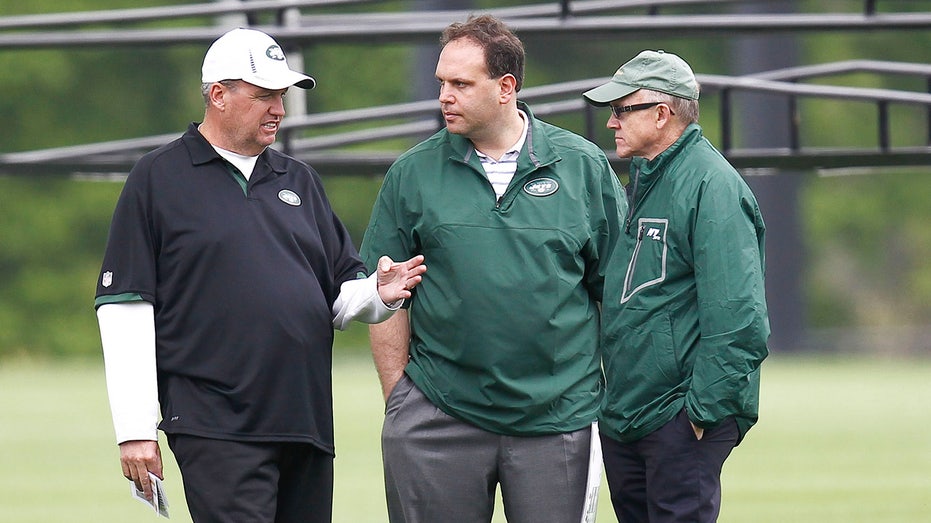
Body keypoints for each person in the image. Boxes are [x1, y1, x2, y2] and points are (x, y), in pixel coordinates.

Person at [94, 27, 426, 523]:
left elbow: (339, 294)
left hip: (305, 421)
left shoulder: (299, 180)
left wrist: (380, 294)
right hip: (215, 425)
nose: (279, 109)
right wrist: (134, 429)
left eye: (282, 95)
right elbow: (125, 306)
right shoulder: (157, 178)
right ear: (218, 95)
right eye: (264, 95)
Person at [359, 14, 626, 523]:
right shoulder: (411, 173)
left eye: (461, 83)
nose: (444, 95)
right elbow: (385, 295)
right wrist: (401, 401)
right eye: (441, 82)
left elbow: (614, 295)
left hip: (558, 420)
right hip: (438, 414)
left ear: (506, 87)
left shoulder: (584, 167)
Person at [582, 49, 770, 522]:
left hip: (677, 419)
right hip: (629, 415)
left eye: (622, 110)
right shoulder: (648, 178)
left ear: (662, 114)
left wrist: (700, 415)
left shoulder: (712, 185)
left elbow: (740, 320)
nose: (612, 123)